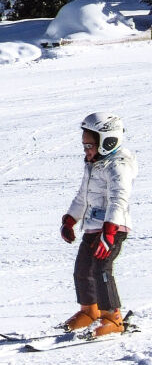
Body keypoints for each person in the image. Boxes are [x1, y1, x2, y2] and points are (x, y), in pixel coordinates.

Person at [59, 112, 137, 337]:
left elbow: (118, 199)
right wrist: (70, 220)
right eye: (84, 145)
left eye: (90, 145)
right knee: (82, 269)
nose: (86, 150)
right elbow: (82, 196)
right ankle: (89, 312)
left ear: (108, 141)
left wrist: (110, 231)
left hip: (112, 228)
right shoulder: (93, 165)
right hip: (93, 227)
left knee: (101, 269)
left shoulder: (118, 166)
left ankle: (112, 316)